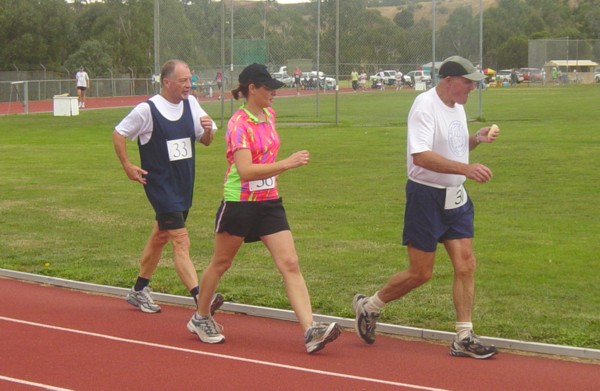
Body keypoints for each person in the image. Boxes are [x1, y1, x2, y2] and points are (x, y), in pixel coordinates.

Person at [352, 56, 499, 360]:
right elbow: (420, 156)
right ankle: (369, 307)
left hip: (455, 197)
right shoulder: (424, 106)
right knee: (421, 273)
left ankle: (464, 336)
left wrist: (477, 139)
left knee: (466, 264)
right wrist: (466, 169)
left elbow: (455, 145)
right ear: (449, 80)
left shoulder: (458, 107)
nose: (472, 87)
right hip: (425, 197)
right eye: (467, 81)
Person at [190, 63, 342, 353]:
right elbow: (245, 171)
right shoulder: (238, 124)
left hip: (269, 201)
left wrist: (278, 170)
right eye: (268, 88)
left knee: (291, 263)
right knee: (221, 263)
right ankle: (200, 316)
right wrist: (288, 163)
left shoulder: (269, 115)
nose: (274, 92)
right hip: (240, 202)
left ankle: (311, 330)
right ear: (252, 89)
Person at [112, 59, 223, 317]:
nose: (189, 85)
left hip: (184, 185)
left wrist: (208, 131)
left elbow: (204, 141)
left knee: (161, 236)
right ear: (167, 82)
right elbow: (119, 133)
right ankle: (201, 298)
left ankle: (139, 289)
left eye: (190, 80)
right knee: (180, 241)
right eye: (183, 80)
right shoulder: (147, 110)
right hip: (160, 187)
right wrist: (128, 166)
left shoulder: (191, 104)